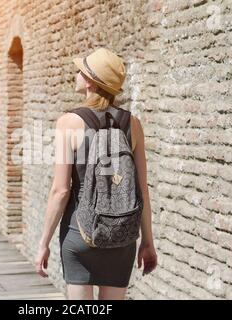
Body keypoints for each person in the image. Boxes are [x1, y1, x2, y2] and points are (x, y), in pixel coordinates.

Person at [35, 47, 157, 300]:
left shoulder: (69, 122)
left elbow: (61, 190)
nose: (76, 74)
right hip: (122, 236)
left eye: (80, 70)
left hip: (79, 233)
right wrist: (147, 241)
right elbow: (142, 189)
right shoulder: (133, 124)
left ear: (90, 81)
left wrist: (43, 242)